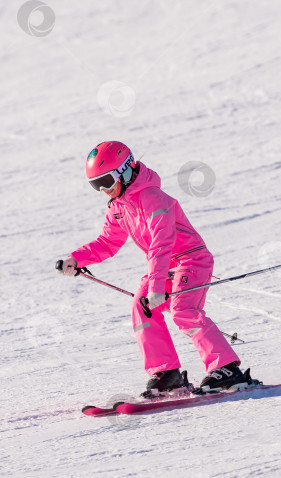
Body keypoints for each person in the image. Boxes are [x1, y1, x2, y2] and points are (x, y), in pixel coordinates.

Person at [58, 141, 253, 398]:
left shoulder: (153, 198)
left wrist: (157, 285)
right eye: (96, 185)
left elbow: (162, 244)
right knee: (141, 306)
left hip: (191, 259)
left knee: (183, 309)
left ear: (125, 172)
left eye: (106, 181)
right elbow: (108, 242)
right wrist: (77, 258)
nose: (104, 190)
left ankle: (227, 369)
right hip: (165, 265)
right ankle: (167, 373)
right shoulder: (118, 207)